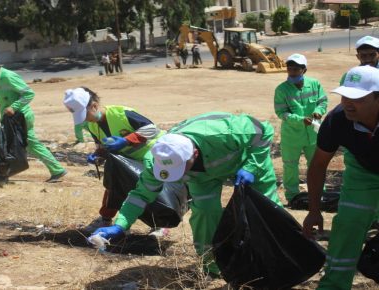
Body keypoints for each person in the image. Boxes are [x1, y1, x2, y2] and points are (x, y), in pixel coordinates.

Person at [91, 113, 282, 277]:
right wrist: (120, 224)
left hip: (247, 162)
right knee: (205, 213)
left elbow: (264, 130)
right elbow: (140, 195)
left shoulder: (222, 133)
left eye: (180, 169)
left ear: (195, 154)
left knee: (267, 211)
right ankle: (212, 265)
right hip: (203, 179)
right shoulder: (158, 158)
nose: (179, 177)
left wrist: (251, 166)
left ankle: (276, 259)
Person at [303, 65, 379, 290]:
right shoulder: (337, 120)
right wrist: (314, 209)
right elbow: (318, 165)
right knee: (347, 225)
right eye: (345, 95)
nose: (347, 102)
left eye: (356, 98)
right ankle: (334, 285)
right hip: (362, 172)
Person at [63, 87, 165, 233]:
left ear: (94, 106)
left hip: (152, 155)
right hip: (128, 160)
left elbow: (151, 129)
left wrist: (126, 140)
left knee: (151, 189)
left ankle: (160, 225)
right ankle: (105, 219)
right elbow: (103, 146)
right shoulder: (92, 125)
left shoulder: (121, 113)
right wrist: (99, 155)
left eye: (85, 114)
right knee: (113, 184)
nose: (85, 119)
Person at [0, 55, 67, 183]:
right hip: (8, 118)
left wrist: (14, 106)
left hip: (20, 117)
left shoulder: (9, 76)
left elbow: (29, 93)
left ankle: (57, 170)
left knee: (30, 144)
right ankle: (1, 174)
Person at [274, 53, 327, 206]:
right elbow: (281, 112)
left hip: (313, 134)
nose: (292, 72)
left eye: (296, 69)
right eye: (289, 69)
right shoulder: (281, 90)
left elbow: (323, 101)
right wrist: (299, 120)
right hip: (292, 136)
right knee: (290, 166)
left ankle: (319, 195)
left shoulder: (315, 84)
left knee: (316, 165)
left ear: (304, 70)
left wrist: (319, 111)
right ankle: (292, 197)